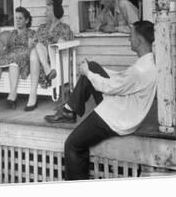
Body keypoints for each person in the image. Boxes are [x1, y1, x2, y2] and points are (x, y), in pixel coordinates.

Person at [44, 20, 158, 181]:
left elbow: (111, 86)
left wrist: (87, 73)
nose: (128, 39)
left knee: (72, 145)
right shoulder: (147, 63)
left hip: (118, 117)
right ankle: (69, 111)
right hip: (123, 106)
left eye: (131, 36)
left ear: (139, 40)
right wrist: (91, 70)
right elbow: (121, 79)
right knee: (93, 66)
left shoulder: (139, 71)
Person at [0, 7, 37, 110]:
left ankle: (12, 95)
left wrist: (29, 46)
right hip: (12, 54)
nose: (18, 20)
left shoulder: (31, 33)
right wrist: (3, 48)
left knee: (13, 62)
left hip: (24, 56)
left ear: (27, 20)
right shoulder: (13, 33)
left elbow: (32, 49)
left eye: (20, 18)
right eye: (16, 18)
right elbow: (7, 48)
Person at [25, 0, 74, 111]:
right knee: (36, 47)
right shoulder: (42, 27)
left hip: (54, 61)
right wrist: (31, 43)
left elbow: (65, 43)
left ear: (53, 12)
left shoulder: (64, 28)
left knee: (37, 48)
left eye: (47, 10)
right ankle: (47, 71)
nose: (44, 13)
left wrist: (54, 43)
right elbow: (33, 42)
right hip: (41, 64)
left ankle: (32, 98)